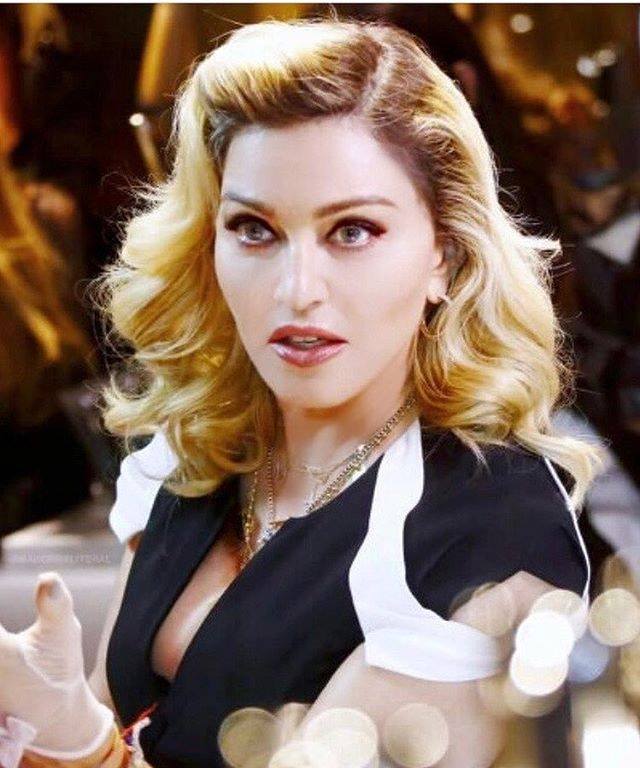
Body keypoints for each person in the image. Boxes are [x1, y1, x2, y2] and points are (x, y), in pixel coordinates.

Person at [0, 16, 605, 768]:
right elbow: (119, 719)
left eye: (352, 231)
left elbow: (100, 745)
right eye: (254, 229)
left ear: (444, 256)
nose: (296, 289)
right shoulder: (197, 458)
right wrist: (52, 726)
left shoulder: (491, 534)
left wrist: (76, 744)